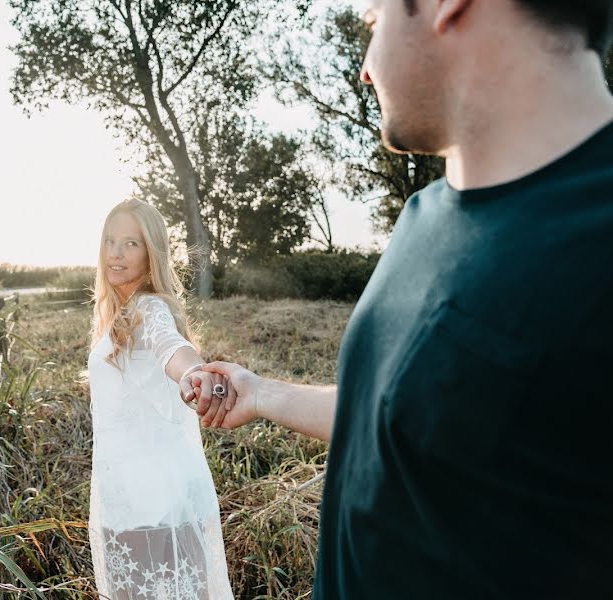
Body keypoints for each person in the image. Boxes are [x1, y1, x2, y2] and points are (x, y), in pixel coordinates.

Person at [189, 0, 613, 598]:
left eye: (371, 20)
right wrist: (261, 393)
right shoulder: (422, 216)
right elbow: (416, 415)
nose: (364, 68)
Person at [87, 199, 236, 599]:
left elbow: (171, 346)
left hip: (152, 499)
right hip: (123, 493)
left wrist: (192, 373)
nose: (116, 253)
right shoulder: (116, 313)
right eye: (110, 240)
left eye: (131, 243)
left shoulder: (149, 307)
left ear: (151, 251)